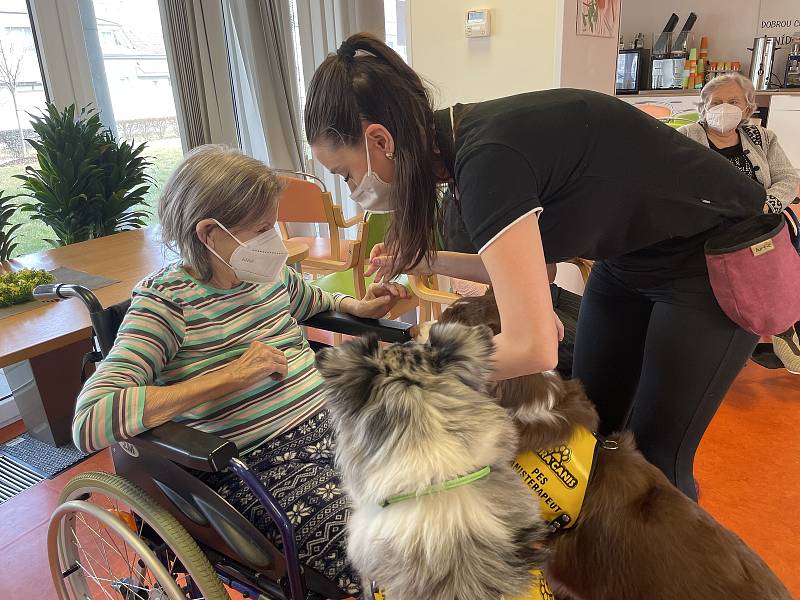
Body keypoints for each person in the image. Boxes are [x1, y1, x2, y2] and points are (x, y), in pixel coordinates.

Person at [304, 33, 769, 500]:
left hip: (712, 257)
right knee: (589, 425)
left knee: (656, 461)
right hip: (630, 257)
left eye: (345, 174)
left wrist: (402, 377)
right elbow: (516, 268)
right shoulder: (456, 149)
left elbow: (533, 348)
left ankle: (665, 564)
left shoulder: (485, 157)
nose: (351, 190)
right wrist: (424, 260)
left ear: (380, 140)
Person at [73, 145, 408, 598]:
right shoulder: (166, 306)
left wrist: (356, 305)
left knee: (445, 490)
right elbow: (91, 418)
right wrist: (225, 378)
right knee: (387, 545)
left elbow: (309, 298)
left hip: (340, 427)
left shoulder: (264, 273)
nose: (275, 240)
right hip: (259, 465)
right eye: (263, 228)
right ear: (211, 234)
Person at [678, 73, 800, 374]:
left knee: (775, 258)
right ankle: (775, 328)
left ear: (748, 108)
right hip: (707, 227)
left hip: (758, 223)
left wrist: (767, 204)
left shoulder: (762, 138)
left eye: (733, 102)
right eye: (715, 102)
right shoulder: (686, 136)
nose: (724, 108)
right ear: (703, 108)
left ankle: (780, 324)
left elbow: (788, 178)